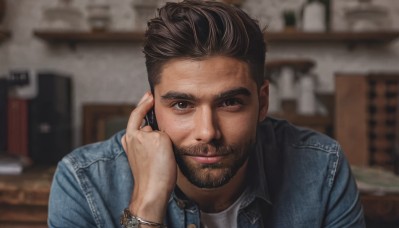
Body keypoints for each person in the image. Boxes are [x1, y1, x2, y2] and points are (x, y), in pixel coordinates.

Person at [48, 0, 365, 227]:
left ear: (263, 101)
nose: (208, 131)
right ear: (151, 108)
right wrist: (146, 205)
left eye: (230, 103)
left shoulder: (323, 169)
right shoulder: (82, 181)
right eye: (182, 105)